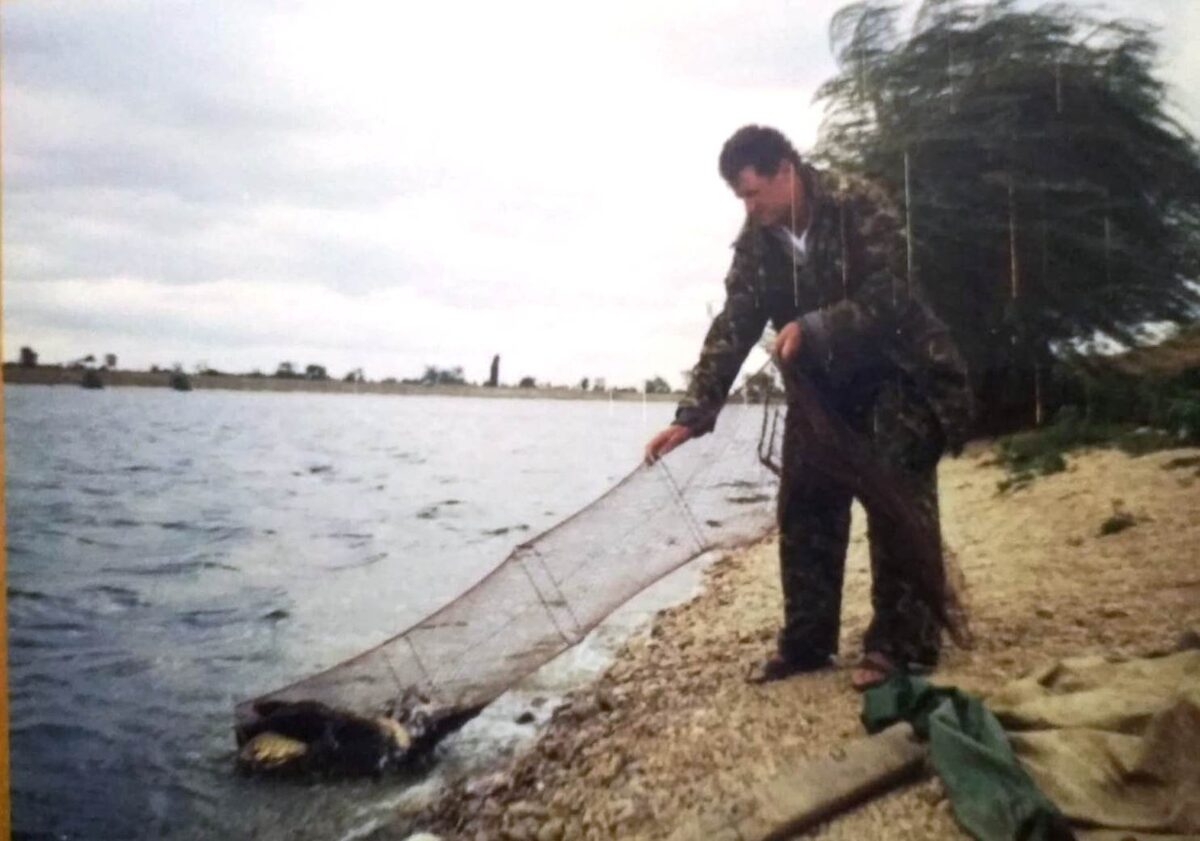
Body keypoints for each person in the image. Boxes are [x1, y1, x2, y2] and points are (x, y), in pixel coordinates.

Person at [643, 125, 973, 689]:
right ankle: (807, 645)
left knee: (897, 504)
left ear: (785, 171)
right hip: (822, 395)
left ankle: (902, 646)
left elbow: (892, 294)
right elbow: (735, 323)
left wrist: (816, 326)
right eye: (741, 199)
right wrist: (691, 414)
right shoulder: (757, 242)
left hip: (900, 377)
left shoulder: (856, 204)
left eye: (753, 193)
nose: (750, 208)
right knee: (804, 509)